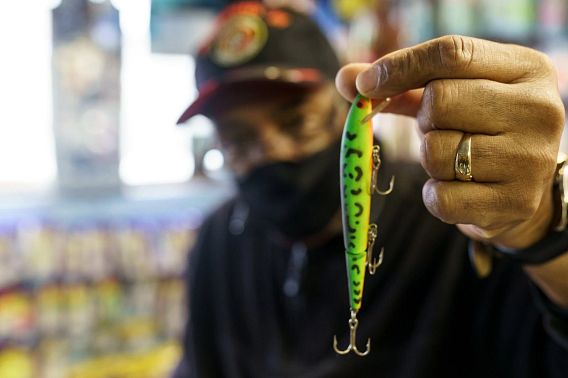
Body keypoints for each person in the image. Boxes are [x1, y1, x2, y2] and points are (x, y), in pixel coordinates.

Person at [173, 2, 568, 377]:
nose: (271, 151)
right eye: (238, 138)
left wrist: (541, 230)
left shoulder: (454, 217)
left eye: (296, 122)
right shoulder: (216, 244)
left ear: (347, 105)